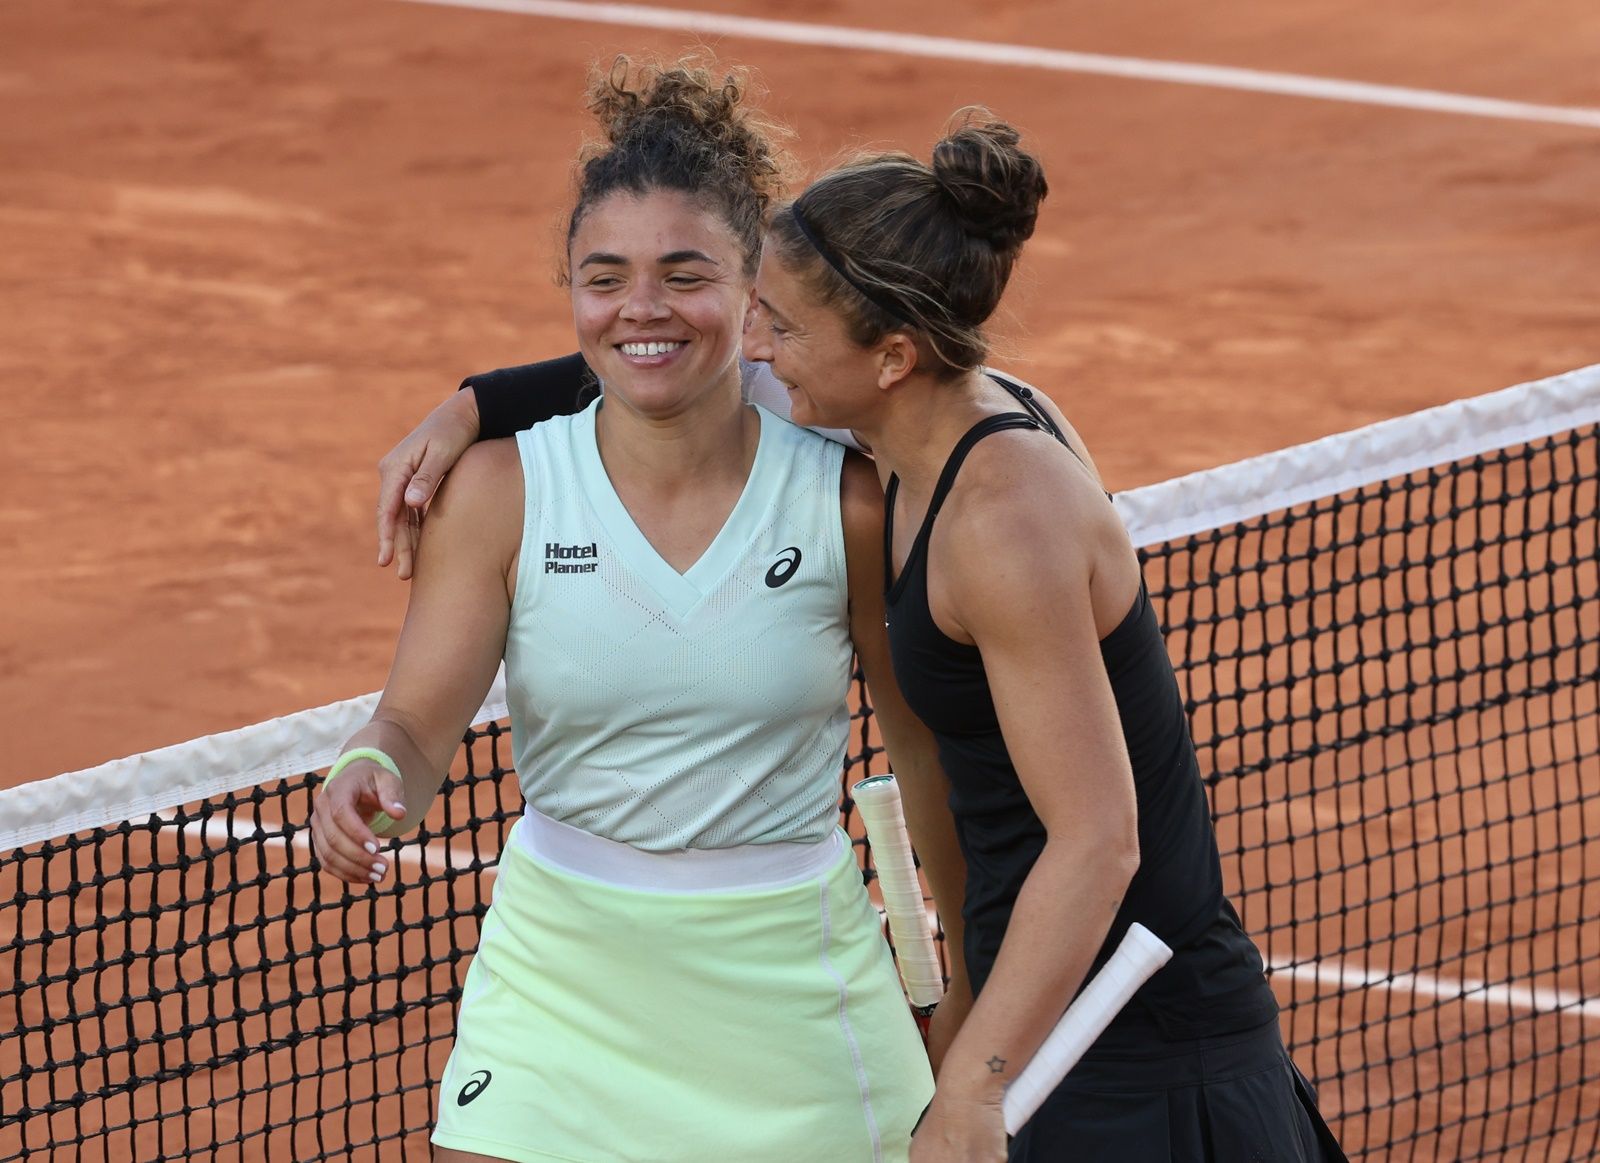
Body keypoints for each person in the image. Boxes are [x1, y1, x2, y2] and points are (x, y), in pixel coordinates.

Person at [312, 57, 961, 1163]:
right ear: (569, 291)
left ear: (754, 290)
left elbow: (923, 745)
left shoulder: (846, 502)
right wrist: (367, 770)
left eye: (683, 273)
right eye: (603, 277)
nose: (642, 308)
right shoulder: (501, 492)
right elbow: (416, 723)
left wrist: (972, 983)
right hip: (562, 981)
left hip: (793, 993)